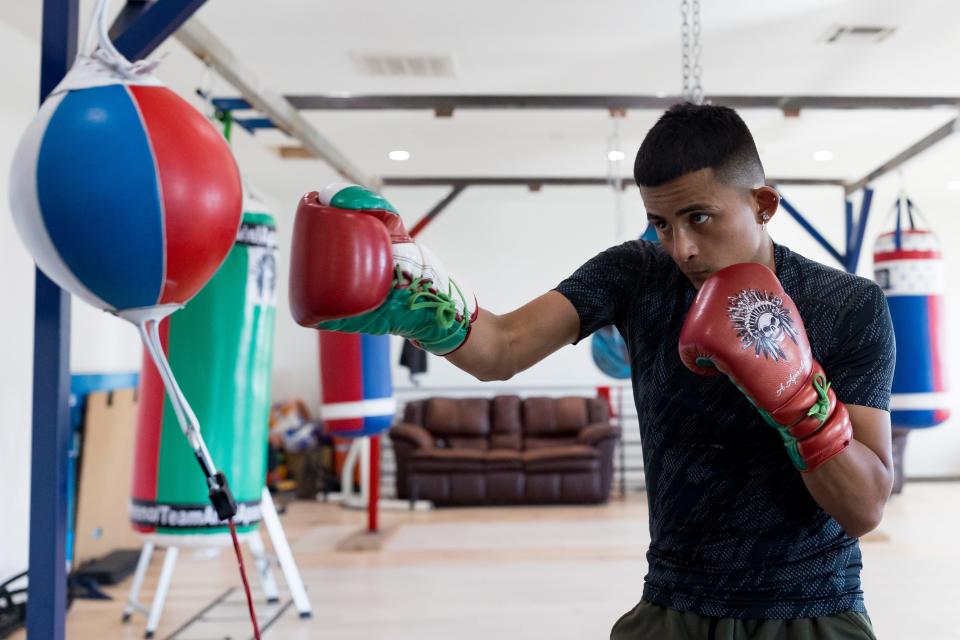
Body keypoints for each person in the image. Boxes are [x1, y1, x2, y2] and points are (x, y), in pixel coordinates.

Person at [288, 103, 895, 640]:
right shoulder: (637, 272)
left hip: (813, 611)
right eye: (661, 223)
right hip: (672, 608)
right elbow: (502, 347)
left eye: (699, 218)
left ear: (763, 204)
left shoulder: (846, 305)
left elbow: (864, 508)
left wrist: (798, 399)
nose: (680, 247)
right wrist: (426, 303)